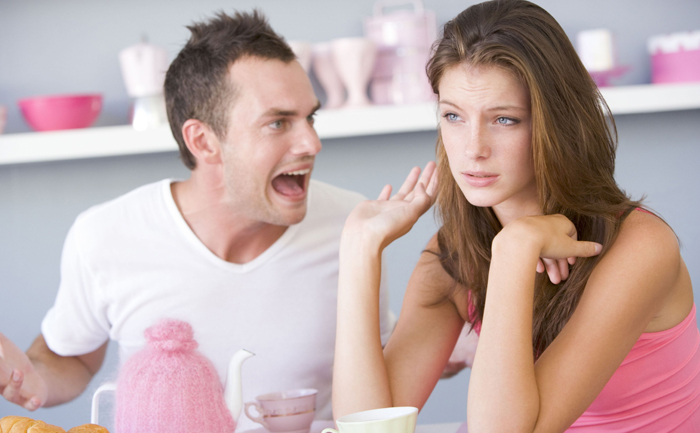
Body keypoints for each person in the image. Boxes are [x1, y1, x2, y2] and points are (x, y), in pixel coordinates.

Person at [0, 10, 396, 429]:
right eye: (278, 122)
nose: (311, 143)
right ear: (203, 141)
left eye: (309, 118)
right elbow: (72, 357)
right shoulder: (104, 234)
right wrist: (33, 379)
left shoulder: (352, 226)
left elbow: (381, 362)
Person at [331, 0, 700, 432]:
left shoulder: (639, 247)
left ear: (557, 124)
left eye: (504, 119)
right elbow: (367, 426)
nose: (473, 149)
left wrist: (513, 249)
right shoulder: (456, 252)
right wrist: (358, 248)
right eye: (453, 115)